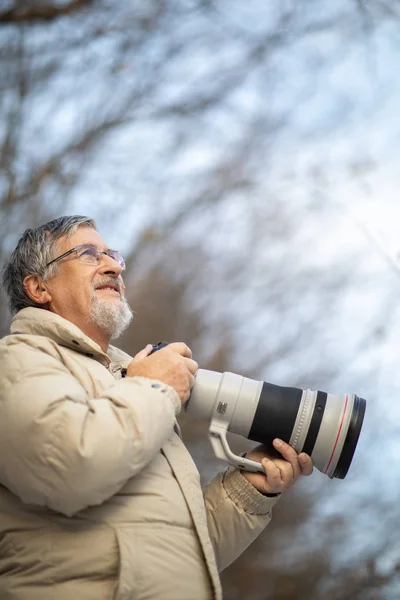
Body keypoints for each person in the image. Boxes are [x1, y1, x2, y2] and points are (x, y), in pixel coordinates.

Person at [0, 215, 313, 600]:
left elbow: (175, 550)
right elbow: (68, 468)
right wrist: (154, 385)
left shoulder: (126, 382)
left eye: (114, 255)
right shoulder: (14, 361)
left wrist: (251, 491)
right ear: (38, 286)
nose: (113, 265)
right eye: (88, 254)